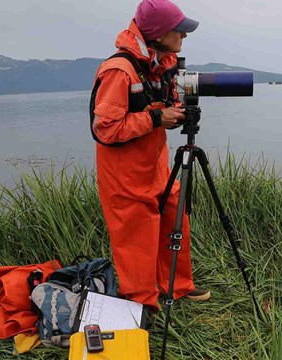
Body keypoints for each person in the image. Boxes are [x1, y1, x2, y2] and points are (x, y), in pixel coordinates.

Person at [90, 0, 209, 312]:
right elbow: (105, 129)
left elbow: (160, 105)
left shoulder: (158, 64)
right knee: (137, 239)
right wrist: (158, 118)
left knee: (175, 219)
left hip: (156, 167)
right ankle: (141, 304)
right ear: (158, 33)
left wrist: (174, 111)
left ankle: (178, 287)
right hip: (124, 174)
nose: (184, 36)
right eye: (179, 30)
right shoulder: (119, 71)